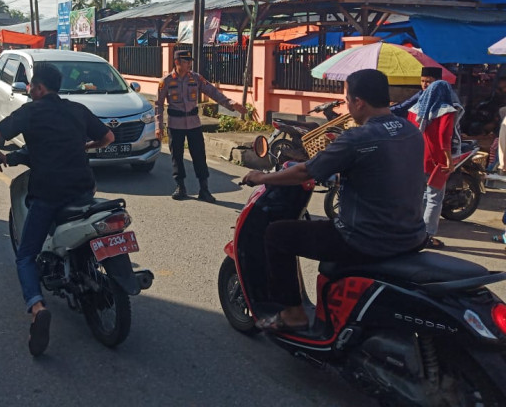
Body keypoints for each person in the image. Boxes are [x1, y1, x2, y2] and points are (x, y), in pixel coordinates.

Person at [243, 69, 426, 332]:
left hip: (364, 238)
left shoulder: (357, 138)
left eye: (347, 100)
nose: (347, 106)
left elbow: (305, 172)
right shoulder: (411, 131)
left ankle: (293, 314)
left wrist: (261, 177)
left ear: (359, 102)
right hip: (411, 235)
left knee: (276, 234)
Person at [0, 63, 115, 357]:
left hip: (48, 193)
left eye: (31, 86)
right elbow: (108, 138)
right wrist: (87, 147)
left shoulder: (31, 112)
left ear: (40, 88)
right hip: (84, 189)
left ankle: (38, 307)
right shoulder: (77, 109)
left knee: (25, 256)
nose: (29, 90)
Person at [156, 49, 246, 202]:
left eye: (190, 61)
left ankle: (204, 189)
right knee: (177, 156)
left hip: (194, 124)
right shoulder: (166, 81)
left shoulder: (196, 78)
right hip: (175, 125)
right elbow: (158, 105)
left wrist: (231, 104)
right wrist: (159, 126)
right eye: (186, 61)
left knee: (199, 156)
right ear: (177, 62)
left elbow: (213, 92)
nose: (189, 64)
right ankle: (180, 187)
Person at [407, 80, 463, 250]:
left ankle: (415, 231)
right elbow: (444, 138)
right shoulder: (446, 111)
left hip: (416, 159)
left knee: (421, 196)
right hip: (436, 161)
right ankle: (427, 235)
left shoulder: (415, 109)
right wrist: (449, 160)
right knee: (434, 198)